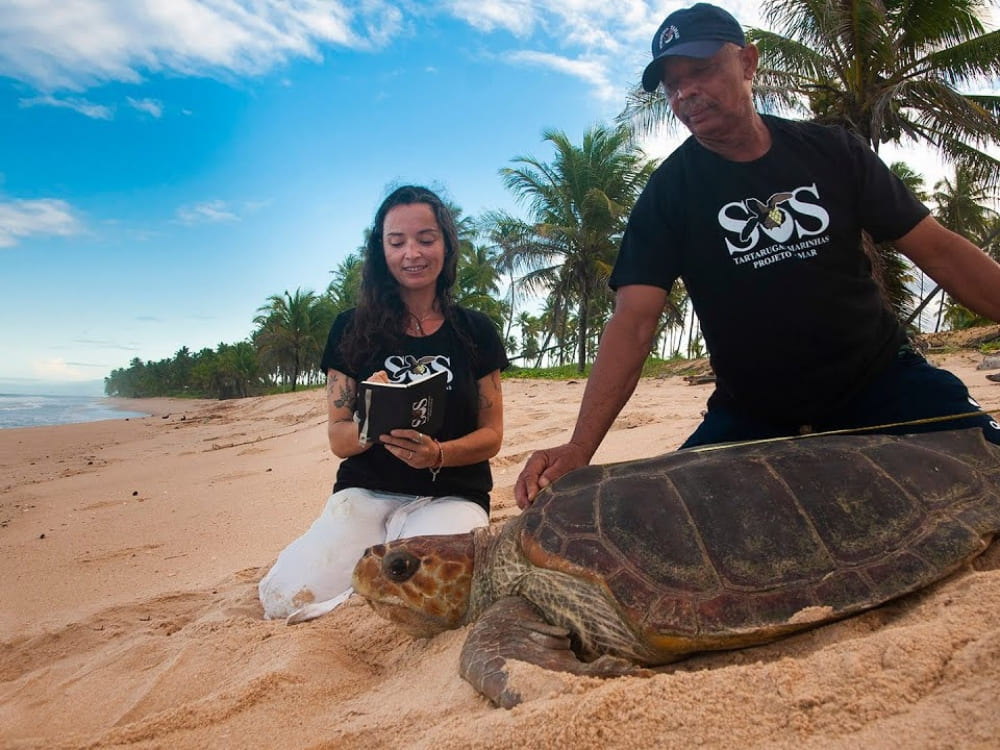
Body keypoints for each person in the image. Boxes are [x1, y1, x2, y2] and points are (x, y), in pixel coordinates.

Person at [515, 2, 1000, 509]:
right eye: (671, 84)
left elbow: (940, 251)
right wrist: (579, 446)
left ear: (748, 62)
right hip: (754, 416)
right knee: (668, 517)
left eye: (700, 71)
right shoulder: (668, 194)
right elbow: (633, 322)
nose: (684, 95)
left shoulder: (833, 151)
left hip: (882, 384)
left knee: (989, 458)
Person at [260, 185, 509, 620]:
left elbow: (492, 435)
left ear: (447, 246)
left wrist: (439, 454)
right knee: (285, 597)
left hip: (452, 493)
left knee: (432, 594)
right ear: (381, 250)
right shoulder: (351, 330)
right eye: (397, 242)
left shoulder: (476, 331)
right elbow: (339, 437)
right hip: (367, 489)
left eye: (426, 239)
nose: (412, 253)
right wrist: (371, 419)